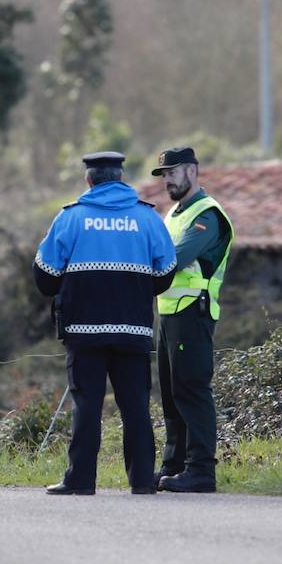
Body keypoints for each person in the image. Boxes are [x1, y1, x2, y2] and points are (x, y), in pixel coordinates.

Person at [34, 151, 177, 495]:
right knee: (136, 408)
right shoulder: (147, 219)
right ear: (121, 178)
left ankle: (80, 481)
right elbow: (166, 271)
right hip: (134, 331)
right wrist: (137, 290)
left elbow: (44, 277)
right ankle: (143, 482)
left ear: (89, 180)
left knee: (87, 407)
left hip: (84, 332)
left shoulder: (71, 218)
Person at [151, 147, 234, 493]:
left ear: (191, 171)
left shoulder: (207, 214)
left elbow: (177, 256)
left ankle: (201, 471)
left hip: (193, 314)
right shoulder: (174, 214)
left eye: (172, 172)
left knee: (192, 391)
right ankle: (174, 466)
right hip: (170, 314)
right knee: (172, 394)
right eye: (163, 174)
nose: (167, 179)